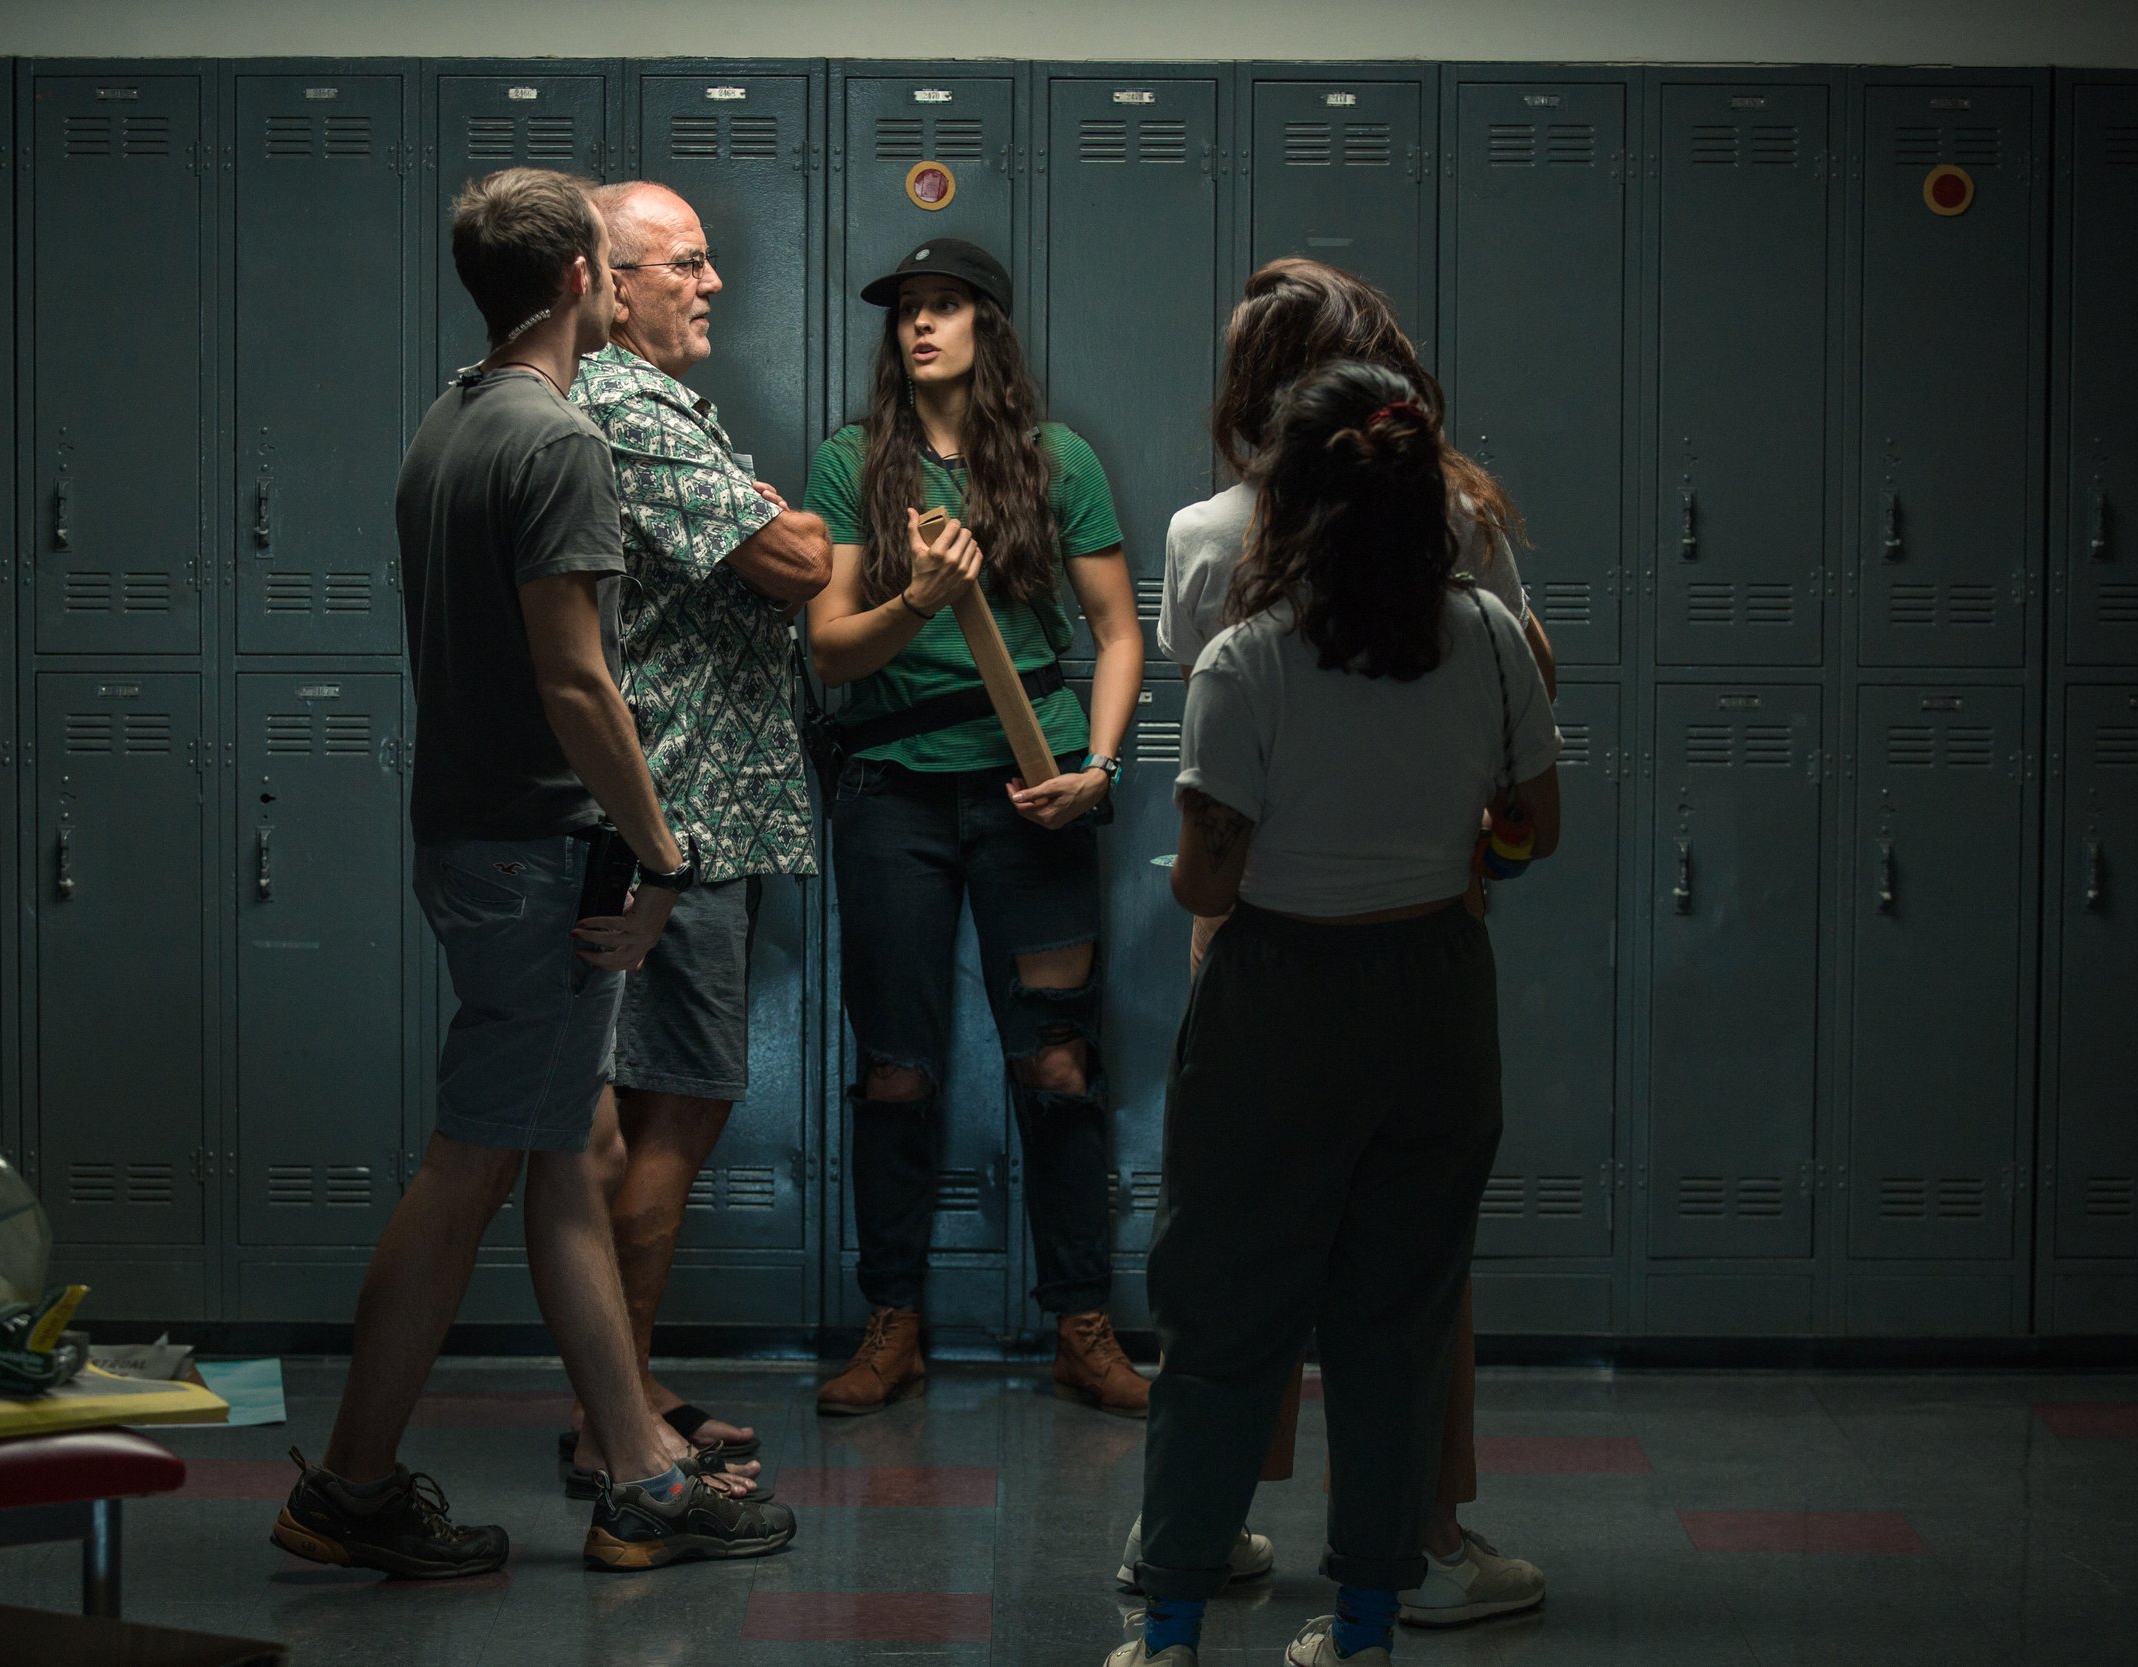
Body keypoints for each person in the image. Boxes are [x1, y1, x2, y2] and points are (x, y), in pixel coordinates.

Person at [271, 167, 794, 1577]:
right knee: (470, 1166)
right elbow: (576, 679)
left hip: (471, 833)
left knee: (555, 1154)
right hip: (536, 846)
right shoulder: (556, 441)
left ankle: (637, 1464)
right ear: (582, 281)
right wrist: (660, 850)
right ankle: (355, 1480)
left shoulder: (450, 421)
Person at [1108, 361, 1562, 1667]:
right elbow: (1538, 823)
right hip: (1436, 996)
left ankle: (1176, 1625)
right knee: (1398, 1325)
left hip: (1280, 1004)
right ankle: (1364, 1622)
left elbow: (1208, 874)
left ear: (1284, 497)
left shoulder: (1249, 658)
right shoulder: (1483, 632)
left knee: (1224, 1316)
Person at [803, 238, 1150, 1417]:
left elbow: (1115, 634)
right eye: (905, 309)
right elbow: (829, 648)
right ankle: (891, 1320)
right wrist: (920, 599)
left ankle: (1081, 1322)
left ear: (986, 326)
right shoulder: (854, 462)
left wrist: (1096, 767)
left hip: (1033, 786)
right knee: (895, 1069)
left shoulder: (1059, 463)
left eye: (943, 305)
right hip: (892, 790)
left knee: (1056, 1059)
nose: (918, 325)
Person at [553, 180, 832, 1489]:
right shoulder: (625, 405)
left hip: (686, 809)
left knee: (630, 1119)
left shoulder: (633, 407)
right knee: (676, 1110)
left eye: (711, 260)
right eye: (686, 264)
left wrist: (777, 518)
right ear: (608, 285)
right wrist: (788, 522)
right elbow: (791, 557)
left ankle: (629, 1387)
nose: (712, 282)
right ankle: (620, 1424)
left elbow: (772, 536)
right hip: (681, 817)